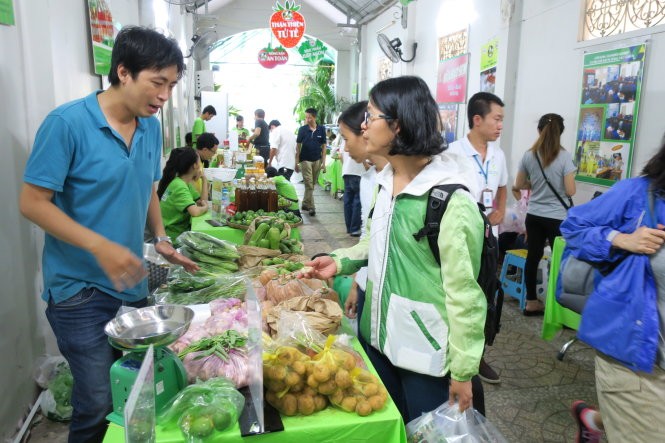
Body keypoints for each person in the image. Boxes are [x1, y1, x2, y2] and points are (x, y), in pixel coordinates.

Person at [18, 26, 197, 442]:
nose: (164, 96)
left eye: (171, 85)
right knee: (96, 398)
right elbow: (32, 203)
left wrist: (160, 237)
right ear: (123, 72)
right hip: (78, 290)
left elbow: (149, 186)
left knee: (134, 387)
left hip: (129, 282)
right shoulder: (67, 124)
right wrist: (100, 246)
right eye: (157, 83)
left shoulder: (150, 127)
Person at [301, 76, 486, 422]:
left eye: (371, 117)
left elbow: (465, 295)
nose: (364, 126)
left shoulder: (449, 200)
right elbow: (376, 242)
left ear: (398, 125)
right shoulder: (386, 184)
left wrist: (462, 371)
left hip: (425, 354)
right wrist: (339, 261)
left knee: (425, 431)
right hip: (379, 342)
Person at [562, 136, 665, 443]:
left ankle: (595, 419)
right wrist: (621, 239)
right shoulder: (638, 195)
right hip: (639, 365)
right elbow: (573, 226)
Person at [447, 91, 508, 384]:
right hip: (462, 238)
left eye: (502, 120)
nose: (500, 126)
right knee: (459, 294)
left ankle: (478, 355)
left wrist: (501, 210)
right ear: (477, 119)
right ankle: (452, 351)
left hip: (489, 238)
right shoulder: (452, 153)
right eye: (496, 119)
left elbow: (504, 186)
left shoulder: (499, 154)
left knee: (485, 296)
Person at [513, 113, 576, 315]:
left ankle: (531, 302)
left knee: (533, 257)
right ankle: (557, 307)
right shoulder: (565, 157)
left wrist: (537, 183)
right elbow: (570, 191)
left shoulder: (528, 155)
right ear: (561, 133)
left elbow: (519, 184)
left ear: (539, 131)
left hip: (534, 215)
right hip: (557, 217)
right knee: (559, 260)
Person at [158, 147, 209, 242]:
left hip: (178, 233)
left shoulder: (184, 182)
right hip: (173, 238)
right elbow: (195, 212)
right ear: (195, 165)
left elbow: (202, 201)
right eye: (199, 161)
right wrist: (205, 208)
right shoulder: (179, 186)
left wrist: (204, 179)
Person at [337, 104, 367, 237]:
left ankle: (350, 227)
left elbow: (340, 154)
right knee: (356, 200)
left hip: (347, 171)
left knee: (349, 200)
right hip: (356, 172)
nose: (347, 148)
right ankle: (354, 228)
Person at [296, 107, 327, 216]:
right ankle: (312, 207)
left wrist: (324, 163)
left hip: (317, 160)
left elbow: (324, 147)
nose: (307, 119)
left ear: (314, 117)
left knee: (312, 184)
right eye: (306, 117)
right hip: (305, 160)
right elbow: (298, 146)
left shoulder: (322, 129)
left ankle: (305, 203)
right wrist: (296, 162)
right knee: (309, 184)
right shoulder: (302, 129)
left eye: (309, 117)